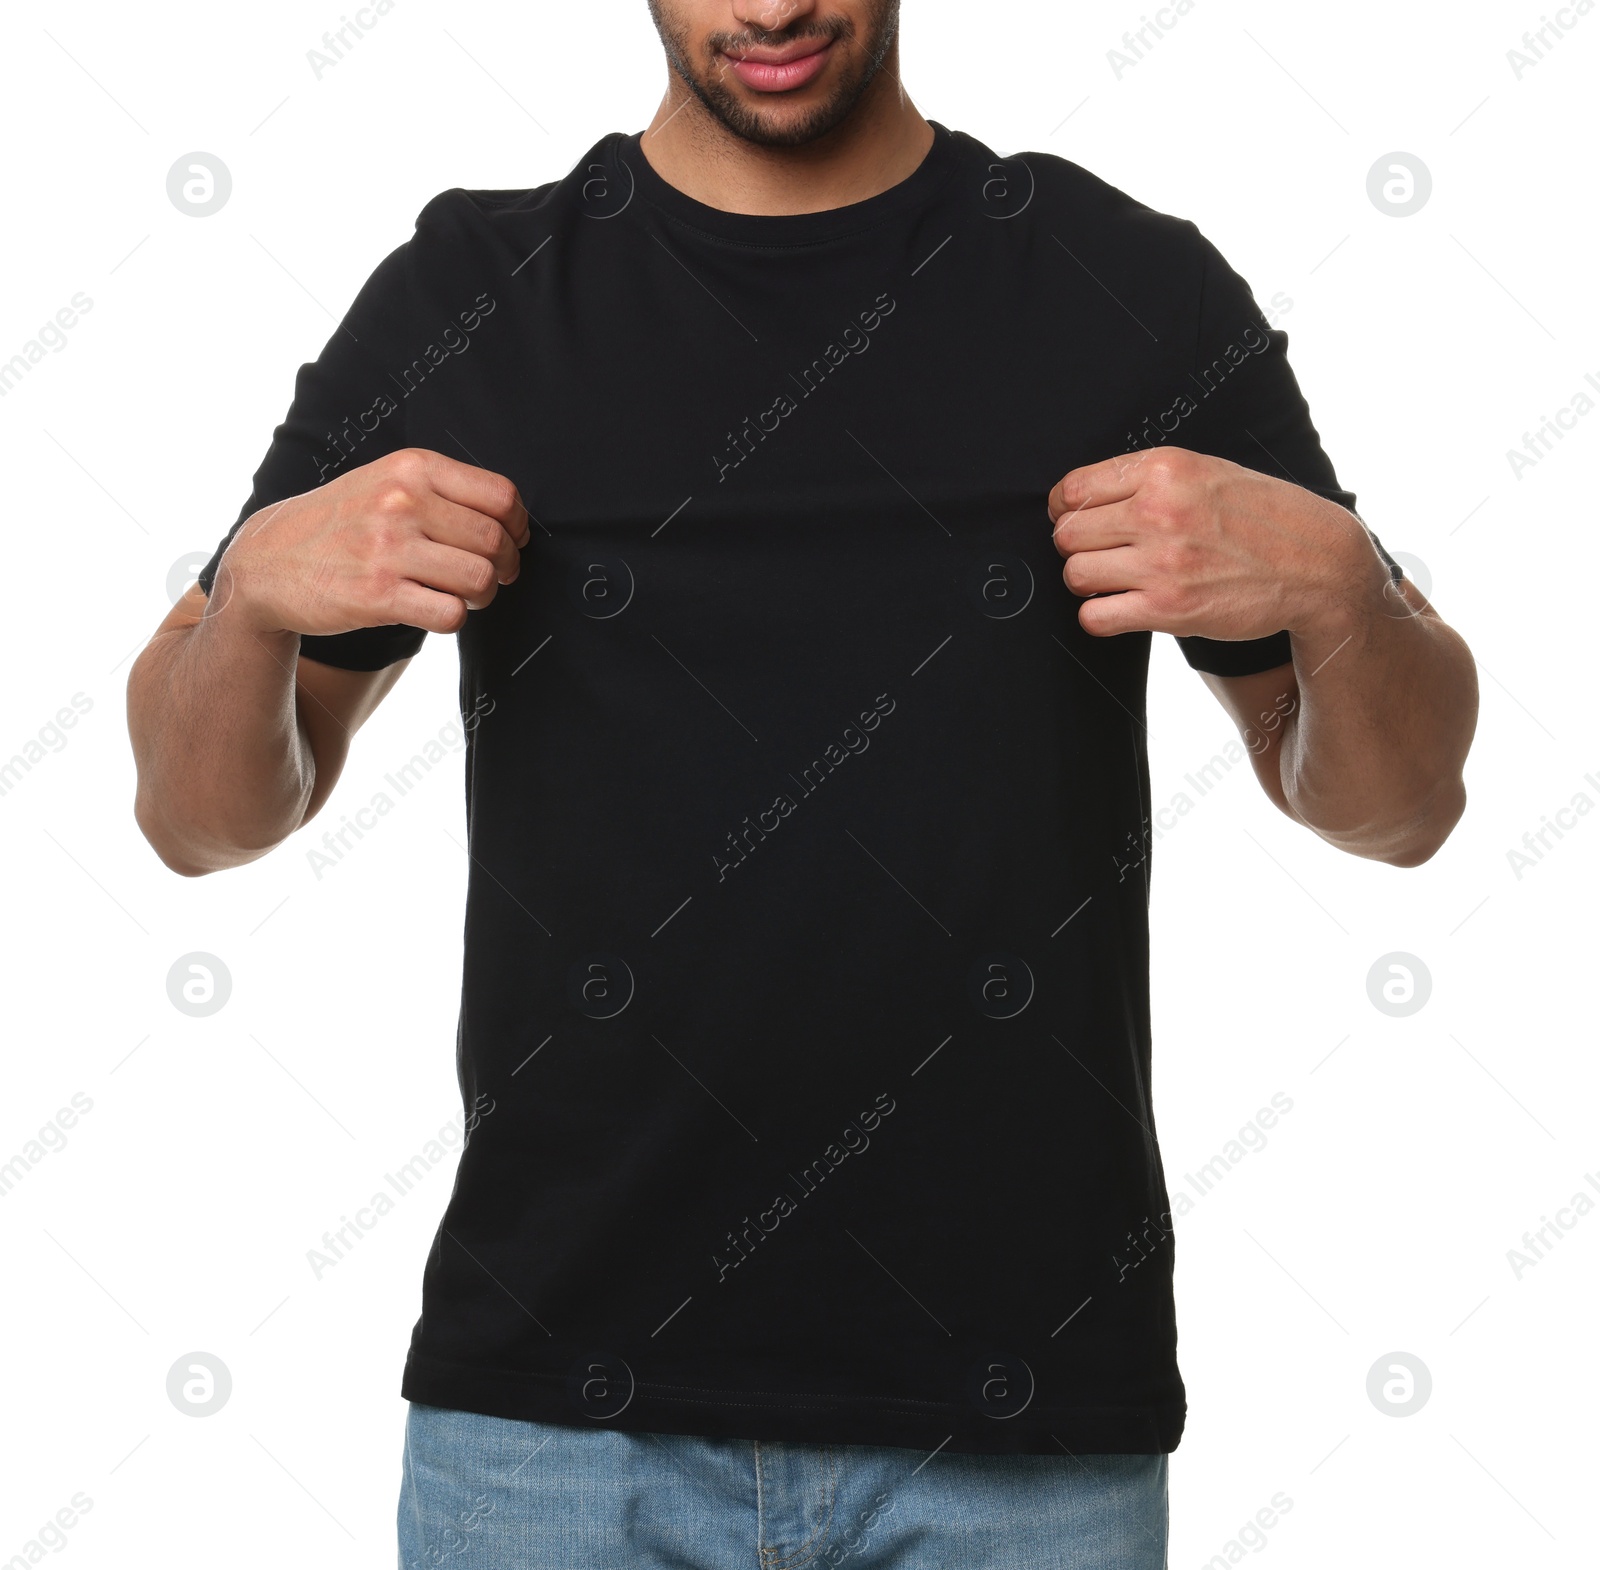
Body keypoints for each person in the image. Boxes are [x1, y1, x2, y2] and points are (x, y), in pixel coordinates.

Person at [126, 0, 1478, 1563]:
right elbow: (201, 817)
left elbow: (1400, 805)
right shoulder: (469, 296)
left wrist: (1340, 587)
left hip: (1022, 1428)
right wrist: (252, 594)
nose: (769, 6)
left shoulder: (1130, 287)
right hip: (557, 1427)